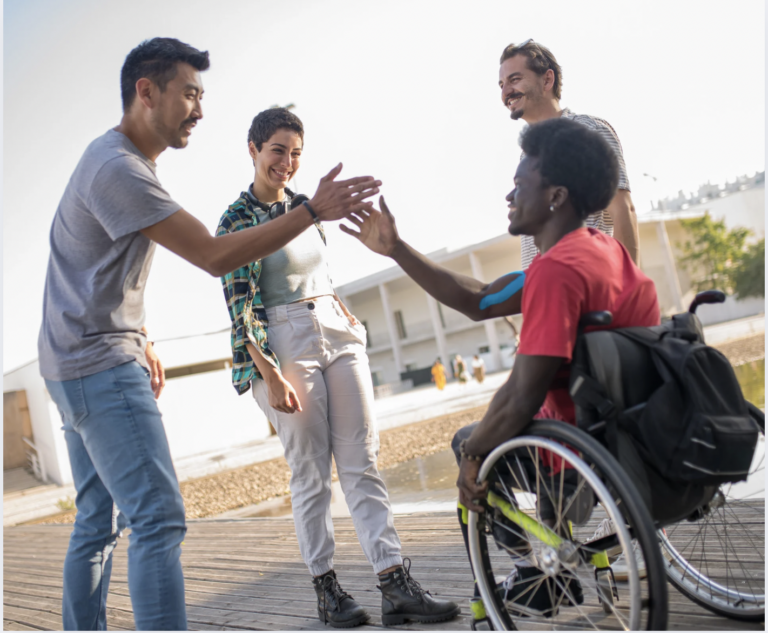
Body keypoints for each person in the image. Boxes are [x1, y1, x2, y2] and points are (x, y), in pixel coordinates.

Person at [38, 38, 382, 631]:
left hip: (70, 358)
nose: (200, 110)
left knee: (96, 522)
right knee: (158, 520)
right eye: (190, 94)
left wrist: (141, 331)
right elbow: (215, 257)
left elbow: (93, 267)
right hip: (98, 364)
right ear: (147, 92)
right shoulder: (120, 169)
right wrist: (310, 212)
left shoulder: (113, 160)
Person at [342, 117, 666, 620]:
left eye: (519, 184)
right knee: (497, 433)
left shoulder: (556, 272)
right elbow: (478, 298)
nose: (509, 195)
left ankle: (542, 569)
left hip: (584, 456)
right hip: (636, 439)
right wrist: (397, 249)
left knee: (470, 441)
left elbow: (520, 395)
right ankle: (545, 563)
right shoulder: (605, 252)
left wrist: (473, 457)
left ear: (555, 196)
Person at [216, 108, 459, 628]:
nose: (287, 162)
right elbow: (240, 306)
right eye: (278, 150)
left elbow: (314, 273)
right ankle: (328, 592)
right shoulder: (235, 219)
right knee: (310, 473)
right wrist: (268, 371)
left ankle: (395, 583)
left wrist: (338, 306)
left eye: (296, 153)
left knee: (362, 462)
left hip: (335, 329)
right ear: (253, 150)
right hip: (282, 343)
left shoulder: (305, 207)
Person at [499, 39, 639, 268]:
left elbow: (623, 210)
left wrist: (626, 295)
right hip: (551, 292)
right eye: (501, 84)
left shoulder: (587, 131)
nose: (506, 92)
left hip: (590, 288)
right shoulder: (527, 155)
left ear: (547, 79)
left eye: (515, 79)